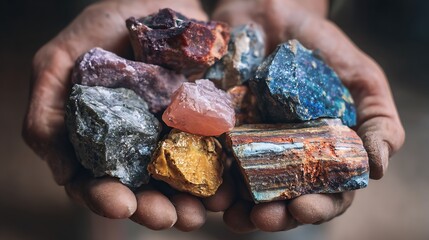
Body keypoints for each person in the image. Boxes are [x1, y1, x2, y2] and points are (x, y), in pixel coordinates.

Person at [22, 0, 405, 233]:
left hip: (255, 140)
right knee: (111, 208)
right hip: (187, 122)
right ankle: (103, 230)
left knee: (286, 219)